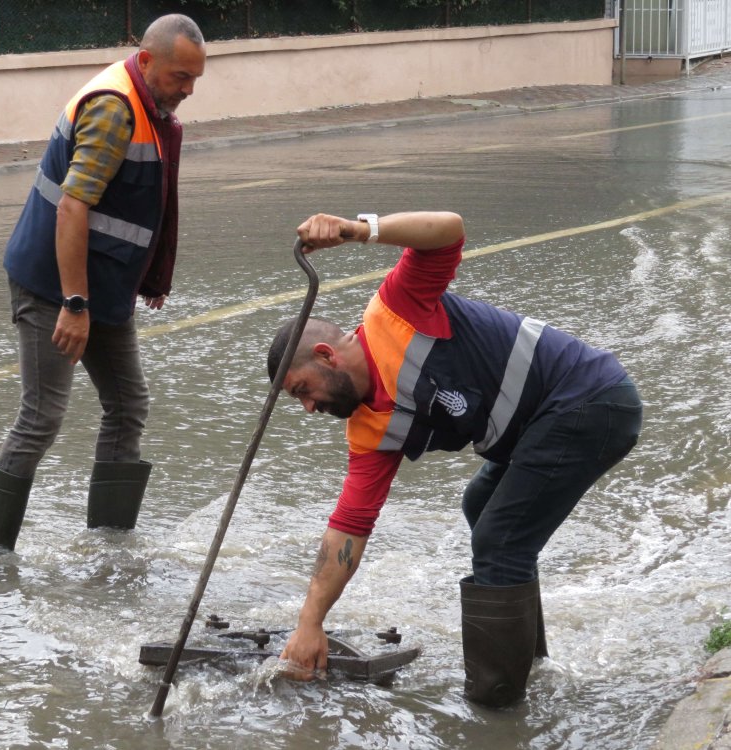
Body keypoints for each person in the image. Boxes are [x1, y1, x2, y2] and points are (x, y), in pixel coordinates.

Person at [267, 210, 642, 707]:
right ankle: (528, 663)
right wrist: (309, 624)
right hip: (541, 426)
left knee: (498, 538)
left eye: (303, 391)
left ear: (326, 355)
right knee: (481, 508)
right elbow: (349, 527)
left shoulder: (395, 311)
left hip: (591, 399)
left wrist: (359, 231)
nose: (310, 407)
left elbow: (448, 228)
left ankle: (495, 707)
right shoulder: (369, 430)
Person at [0, 15, 206, 551]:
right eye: (179, 77)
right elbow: (73, 207)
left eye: (196, 78)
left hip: (104, 286)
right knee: (41, 417)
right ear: (146, 61)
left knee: (128, 405)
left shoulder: (147, 103)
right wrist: (74, 303)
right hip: (53, 286)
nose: (188, 90)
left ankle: (109, 547)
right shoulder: (114, 109)